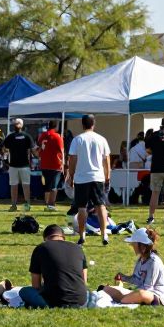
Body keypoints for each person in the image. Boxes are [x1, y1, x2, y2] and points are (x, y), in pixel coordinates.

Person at [66, 114, 111, 246]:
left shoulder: (77, 140)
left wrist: (71, 175)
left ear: (82, 124)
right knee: (100, 206)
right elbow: (106, 159)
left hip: (81, 178)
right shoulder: (101, 139)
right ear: (93, 124)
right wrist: (108, 176)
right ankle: (104, 234)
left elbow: (72, 159)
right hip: (98, 177)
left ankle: (82, 235)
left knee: (81, 208)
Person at [19, 224, 88, 309]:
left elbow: (36, 285)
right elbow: (84, 281)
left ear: (45, 239)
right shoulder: (78, 248)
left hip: (53, 302)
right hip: (81, 301)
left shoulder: (41, 248)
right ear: (63, 237)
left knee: (24, 291)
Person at [103, 227, 164, 305]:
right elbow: (136, 279)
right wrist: (123, 277)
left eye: (134, 243)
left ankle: (121, 298)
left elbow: (148, 288)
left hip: (154, 296)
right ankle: (122, 297)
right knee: (105, 288)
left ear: (142, 246)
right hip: (141, 292)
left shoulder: (154, 262)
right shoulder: (141, 259)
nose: (132, 245)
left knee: (139, 294)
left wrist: (131, 292)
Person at [3, 118, 35, 212]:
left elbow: (4, 149)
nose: (16, 125)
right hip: (21, 165)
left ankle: (17, 205)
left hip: (16, 165)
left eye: (16, 123)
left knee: (17, 186)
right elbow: (33, 150)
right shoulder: (27, 136)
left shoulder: (11, 136)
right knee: (22, 185)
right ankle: (23, 205)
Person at [38, 119, 65, 211]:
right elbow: (61, 151)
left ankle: (47, 203)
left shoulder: (43, 135)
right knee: (54, 185)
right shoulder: (57, 136)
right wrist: (63, 163)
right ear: (56, 126)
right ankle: (51, 205)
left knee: (47, 185)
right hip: (55, 164)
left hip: (44, 164)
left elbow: (40, 148)